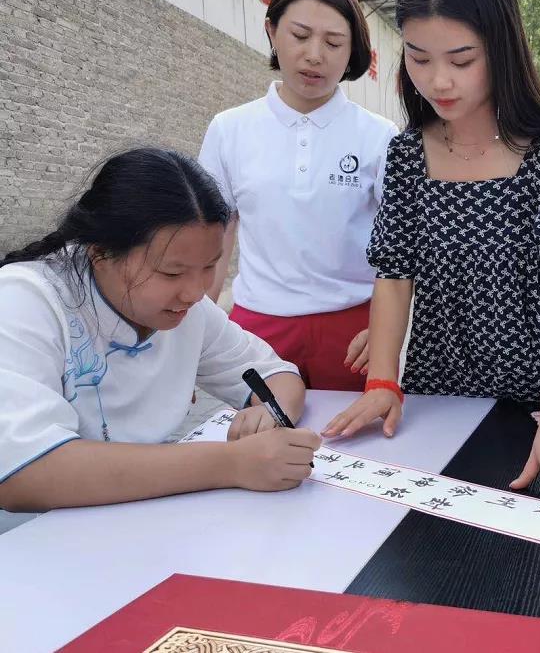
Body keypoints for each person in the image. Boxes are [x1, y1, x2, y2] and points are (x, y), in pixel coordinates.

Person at [322, 0, 540, 513]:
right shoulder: (407, 154)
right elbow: (395, 272)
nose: (438, 80)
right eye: (418, 58)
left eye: (461, 59)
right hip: (437, 401)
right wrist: (383, 380)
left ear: (500, 49)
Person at [0, 148, 321, 512]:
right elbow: (23, 472)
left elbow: (276, 374)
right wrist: (232, 462)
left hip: (136, 523)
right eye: (171, 272)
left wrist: (269, 413)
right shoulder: (26, 300)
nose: (195, 292)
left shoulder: (188, 310)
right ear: (100, 252)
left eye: (210, 267)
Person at [199, 0, 398, 392]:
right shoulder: (229, 129)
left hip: (353, 331)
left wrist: (383, 333)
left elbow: (400, 250)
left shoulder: (380, 137)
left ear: (352, 51)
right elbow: (212, 239)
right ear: (272, 32)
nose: (314, 55)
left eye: (333, 42)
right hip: (257, 330)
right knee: (260, 445)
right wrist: (192, 336)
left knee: (349, 449)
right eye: (300, 35)